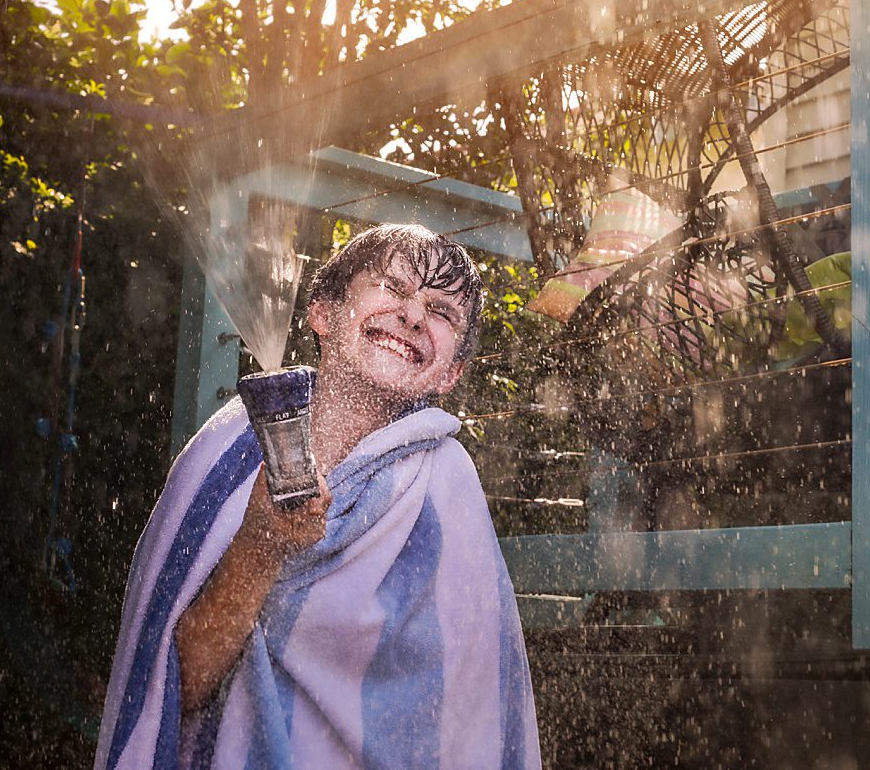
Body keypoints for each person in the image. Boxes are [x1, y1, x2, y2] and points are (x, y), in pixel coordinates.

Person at [95, 224, 540, 770]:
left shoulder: (446, 487)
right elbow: (169, 688)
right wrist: (258, 550)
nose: (415, 315)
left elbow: (469, 716)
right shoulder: (228, 448)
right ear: (323, 312)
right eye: (393, 288)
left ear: (451, 373)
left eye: (442, 312)